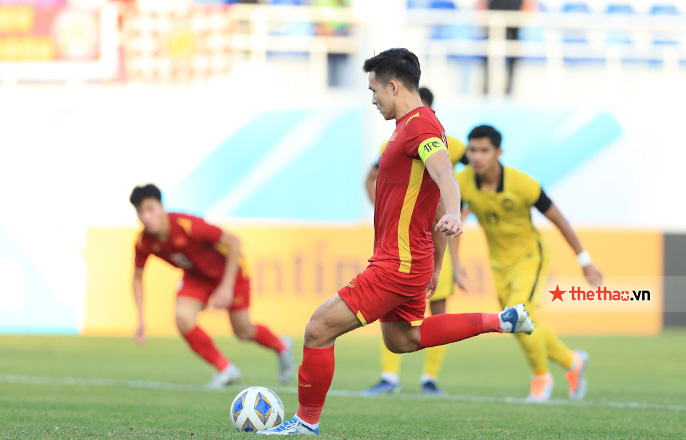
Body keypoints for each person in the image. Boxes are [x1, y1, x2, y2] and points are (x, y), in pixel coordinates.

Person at [260, 48, 534, 436]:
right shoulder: (416, 125)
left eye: (374, 91)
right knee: (403, 340)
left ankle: (305, 422)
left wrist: (455, 213)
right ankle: (502, 321)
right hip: (412, 260)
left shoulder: (420, 128)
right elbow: (432, 202)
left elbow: (445, 179)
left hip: (398, 264)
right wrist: (437, 264)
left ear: (393, 85)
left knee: (318, 329)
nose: (372, 101)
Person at [451, 125, 602, 402]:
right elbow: (455, 220)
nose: (477, 157)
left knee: (518, 316)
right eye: (472, 150)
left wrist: (585, 260)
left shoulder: (523, 184)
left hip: (530, 257)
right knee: (517, 325)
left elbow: (559, 219)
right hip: (499, 263)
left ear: (499, 152)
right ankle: (572, 362)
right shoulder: (461, 182)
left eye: (484, 150)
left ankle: (541, 379)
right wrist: (455, 265)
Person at [130, 184, 295, 388]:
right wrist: (140, 319)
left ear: (161, 207)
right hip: (197, 277)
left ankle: (282, 346)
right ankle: (225, 369)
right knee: (182, 318)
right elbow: (137, 277)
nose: (145, 216)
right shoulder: (144, 242)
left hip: (231, 272)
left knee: (243, 331)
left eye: (150, 209)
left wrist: (226, 286)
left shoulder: (188, 225)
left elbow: (234, 242)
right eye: (140, 211)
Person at [362, 86, 468, 396]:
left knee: (438, 306)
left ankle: (429, 379)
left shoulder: (448, 143)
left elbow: (456, 177)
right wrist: (386, 210)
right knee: (390, 308)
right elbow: (370, 179)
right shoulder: (391, 143)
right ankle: (389, 377)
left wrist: (457, 212)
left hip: (438, 235)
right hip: (404, 241)